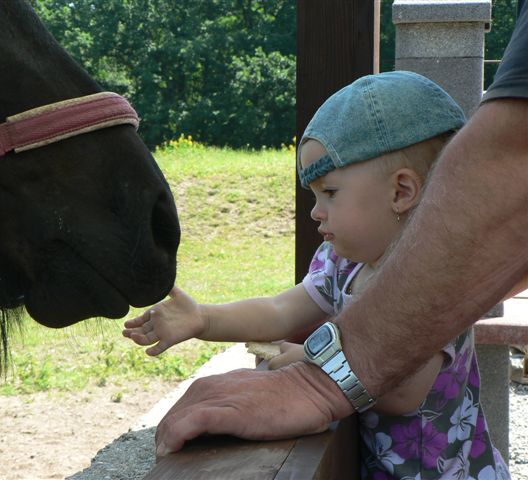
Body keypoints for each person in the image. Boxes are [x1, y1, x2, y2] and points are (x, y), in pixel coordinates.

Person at [149, 2, 527, 473]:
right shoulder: (340, 264)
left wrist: (306, 363)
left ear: (402, 191)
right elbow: (280, 310)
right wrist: (203, 320)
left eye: (329, 192)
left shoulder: (435, 283)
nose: (315, 211)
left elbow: (403, 390)